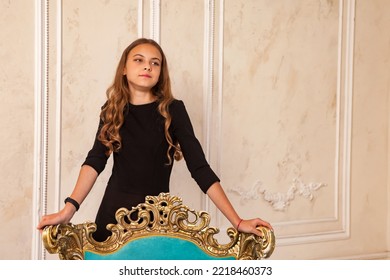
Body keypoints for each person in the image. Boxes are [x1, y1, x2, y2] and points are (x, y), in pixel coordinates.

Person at [37, 38, 272, 242]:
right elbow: (95, 161)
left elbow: (200, 168)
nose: (147, 66)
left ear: (160, 72)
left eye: (155, 62)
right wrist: (69, 210)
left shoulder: (173, 110)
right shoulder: (112, 110)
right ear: (124, 69)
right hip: (111, 218)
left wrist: (237, 221)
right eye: (139, 60)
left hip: (156, 219)